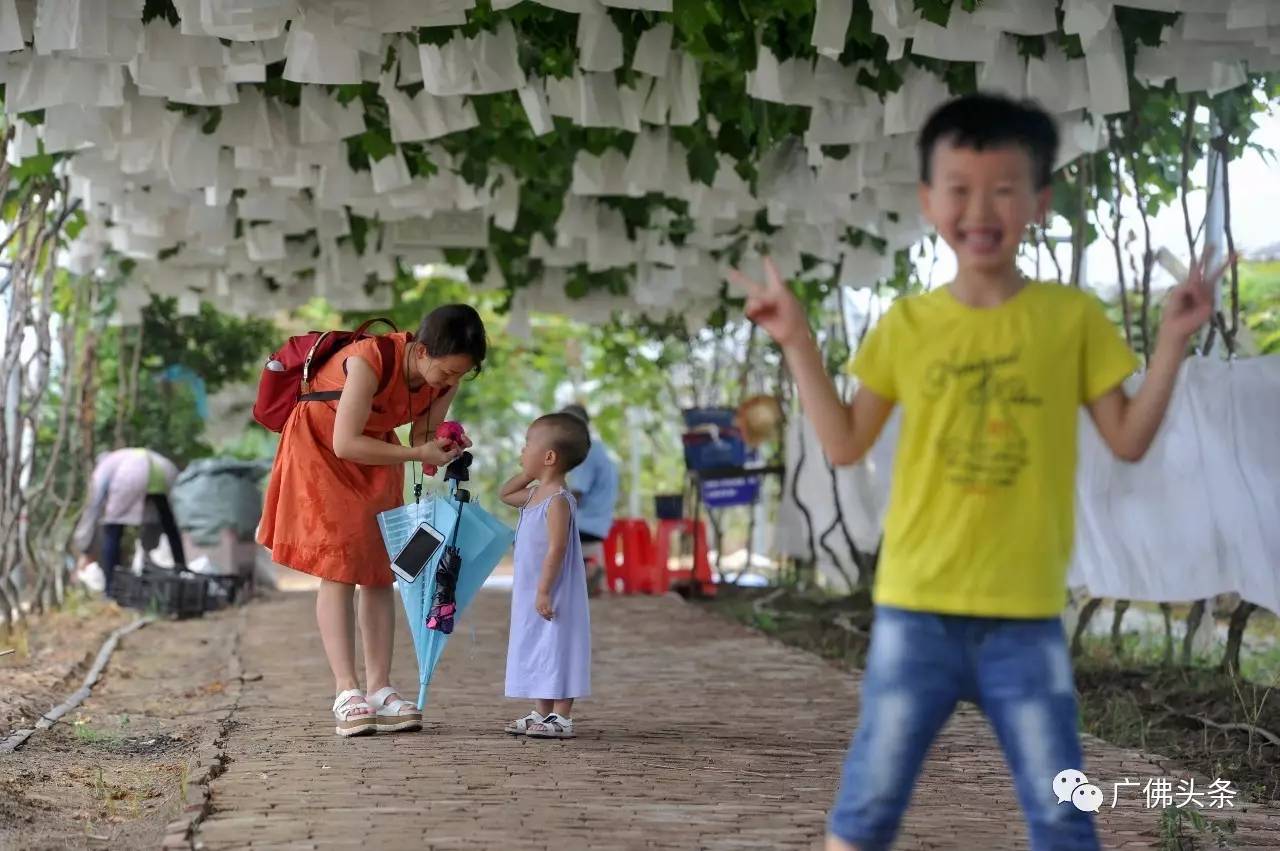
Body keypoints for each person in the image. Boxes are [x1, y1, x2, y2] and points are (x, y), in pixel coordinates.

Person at [729, 92, 1222, 851]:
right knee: (868, 808)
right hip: (913, 611)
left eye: (1002, 187)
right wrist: (797, 340)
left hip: (1026, 619)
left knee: (1064, 815)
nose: (979, 207)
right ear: (930, 201)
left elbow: (1126, 438)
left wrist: (1172, 342)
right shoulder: (907, 325)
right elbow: (845, 442)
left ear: (1039, 202)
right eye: (959, 188)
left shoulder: (1071, 319)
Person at [257, 304, 487, 737]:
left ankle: (380, 688)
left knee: (382, 570)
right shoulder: (368, 359)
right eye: (447, 372)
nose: (450, 382)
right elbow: (345, 442)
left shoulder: (441, 381)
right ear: (420, 351)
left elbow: (422, 435)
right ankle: (346, 691)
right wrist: (417, 453)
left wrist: (443, 442)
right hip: (322, 451)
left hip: (378, 451)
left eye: (461, 375)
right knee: (339, 565)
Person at [498, 412, 593, 740]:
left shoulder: (557, 501)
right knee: (536, 645)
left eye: (527, 446)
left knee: (559, 645)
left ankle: (562, 716)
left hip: (554, 591)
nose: (522, 452)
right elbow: (505, 494)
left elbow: (556, 549)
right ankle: (542, 710)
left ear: (549, 457)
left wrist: (544, 591)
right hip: (534, 591)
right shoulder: (535, 495)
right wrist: (529, 472)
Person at [74, 447, 188, 597]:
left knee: (112, 529)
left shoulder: (104, 467)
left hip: (131, 475)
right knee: (169, 525)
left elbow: (95, 505)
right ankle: (182, 572)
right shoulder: (122, 456)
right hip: (166, 470)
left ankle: (110, 588)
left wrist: (85, 547)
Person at [560, 403, 619, 596]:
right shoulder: (598, 448)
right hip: (599, 523)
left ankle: (577, 576)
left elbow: (575, 494)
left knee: (538, 526)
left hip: (586, 523)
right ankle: (586, 570)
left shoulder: (586, 452)